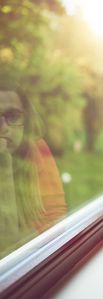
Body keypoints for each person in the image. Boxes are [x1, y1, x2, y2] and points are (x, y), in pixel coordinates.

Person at [0, 88, 67, 258]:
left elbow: (55, 216)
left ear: (26, 119)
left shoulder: (35, 149)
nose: (3, 128)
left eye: (13, 116)